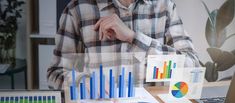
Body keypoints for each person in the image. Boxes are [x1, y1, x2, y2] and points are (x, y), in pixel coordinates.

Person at [47, 0, 200, 89]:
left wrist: (133, 38)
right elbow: (56, 74)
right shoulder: (77, 10)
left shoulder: (164, 7)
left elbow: (192, 68)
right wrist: (85, 84)